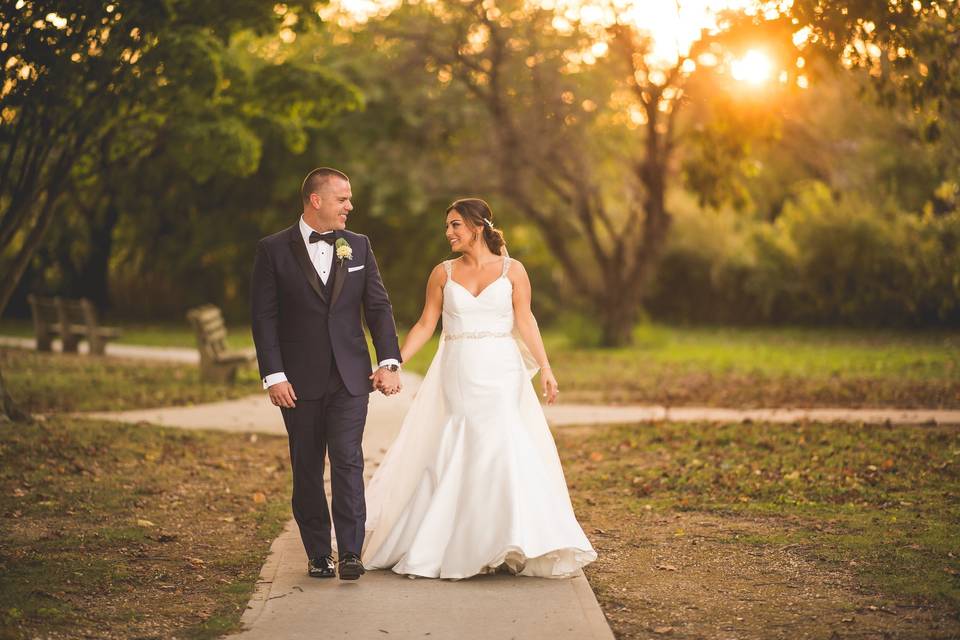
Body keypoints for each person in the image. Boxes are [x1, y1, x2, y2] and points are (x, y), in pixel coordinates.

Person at [362, 198, 597, 579]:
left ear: (476, 226)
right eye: (447, 226)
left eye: (455, 225)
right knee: (462, 440)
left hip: (503, 370)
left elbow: (526, 319)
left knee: (501, 443)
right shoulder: (442, 273)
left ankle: (504, 541)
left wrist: (547, 368)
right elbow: (425, 324)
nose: (448, 233)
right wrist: (392, 362)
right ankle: (456, 540)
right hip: (458, 368)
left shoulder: (513, 270)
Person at [250, 167, 402, 580]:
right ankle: (319, 552)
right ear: (316, 200)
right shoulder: (273, 250)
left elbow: (378, 307)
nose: (350, 206)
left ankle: (351, 551)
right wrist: (273, 375)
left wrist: (388, 360)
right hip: (297, 382)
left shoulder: (359, 246)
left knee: (349, 461)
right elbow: (264, 318)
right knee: (306, 465)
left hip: (351, 377)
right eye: (343, 199)